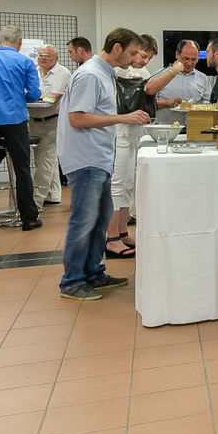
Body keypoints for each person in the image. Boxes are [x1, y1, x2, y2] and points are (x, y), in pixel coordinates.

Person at [57, 28, 150, 301]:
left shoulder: (105, 73)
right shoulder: (90, 74)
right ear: (117, 47)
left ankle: (93, 273)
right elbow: (78, 118)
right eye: (132, 53)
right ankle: (72, 281)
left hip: (99, 156)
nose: (135, 59)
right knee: (84, 221)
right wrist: (123, 118)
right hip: (85, 158)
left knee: (99, 220)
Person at [0, 25, 42, 231]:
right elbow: (34, 94)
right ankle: (29, 218)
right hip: (15, 120)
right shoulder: (25, 62)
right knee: (22, 168)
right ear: (19, 43)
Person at [105, 35, 156, 258]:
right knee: (117, 184)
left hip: (134, 133)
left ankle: (122, 231)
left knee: (128, 184)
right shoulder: (117, 71)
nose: (144, 61)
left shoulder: (142, 72)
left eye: (148, 58)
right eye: (141, 55)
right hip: (119, 133)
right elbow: (147, 90)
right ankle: (111, 237)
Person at [27, 45, 71, 209]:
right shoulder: (33, 70)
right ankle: (53, 195)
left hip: (52, 121)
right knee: (43, 160)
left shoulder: (63, 73)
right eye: (41, 55)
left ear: (56, 58)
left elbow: (52, 98)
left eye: (47, 55)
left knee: (45, 161)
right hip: (33, 120)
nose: (43, 58)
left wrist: (33, 96)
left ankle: (36, 201)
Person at [146, 39, 210, 126]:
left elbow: (208, 103)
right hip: (166, 129)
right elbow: (147, 104)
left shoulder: (203, 78)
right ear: (177, 55)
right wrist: (167, 102)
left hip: (193, 128)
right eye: (186, 58)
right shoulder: (160, 75)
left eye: (194, 59)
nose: (189, 63)